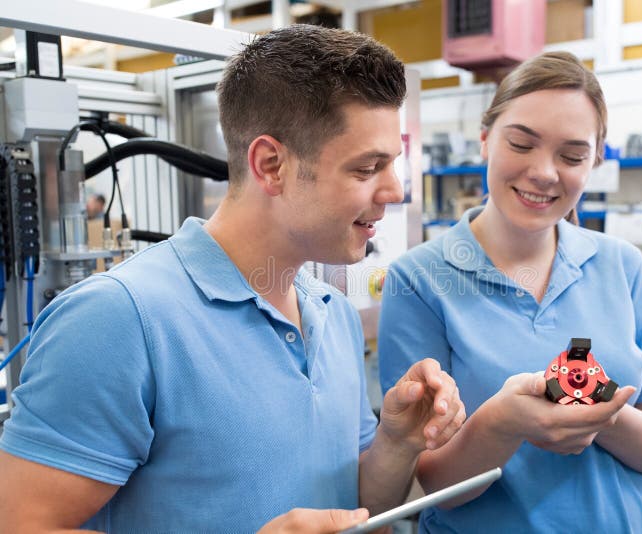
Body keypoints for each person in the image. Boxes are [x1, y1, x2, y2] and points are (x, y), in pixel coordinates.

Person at [0, 25, 466, 533]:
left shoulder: (333, 313)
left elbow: (356, 507)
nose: (394, 191)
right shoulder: (120, 320)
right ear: (271, 165)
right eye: (367, 168)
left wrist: (396, 443)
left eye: (392, 164)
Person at [378, 51, 642, 533]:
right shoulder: (419, 281)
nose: (545, 172)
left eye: (571, 156)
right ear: (485, 140)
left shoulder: (621, 266)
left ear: (595, 161)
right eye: (522, 144)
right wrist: (502, 423)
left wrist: (599, 413)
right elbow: (428, 484)